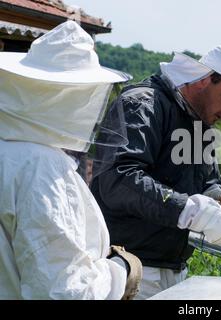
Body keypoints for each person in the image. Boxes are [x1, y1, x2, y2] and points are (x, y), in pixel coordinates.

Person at [90, 45, 221, 299]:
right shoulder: (142, 104)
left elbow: (208, 179)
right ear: (204, 80)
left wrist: (216, 197)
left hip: (174, 270)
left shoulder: (201, 123)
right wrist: (187, 210)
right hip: (128, 269)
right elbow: (118, 178)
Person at [0, 21, 142, 300]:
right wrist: (119, 271)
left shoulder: (11, 152)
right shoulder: (41, 167)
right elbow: (65, 291)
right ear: (73, 97)